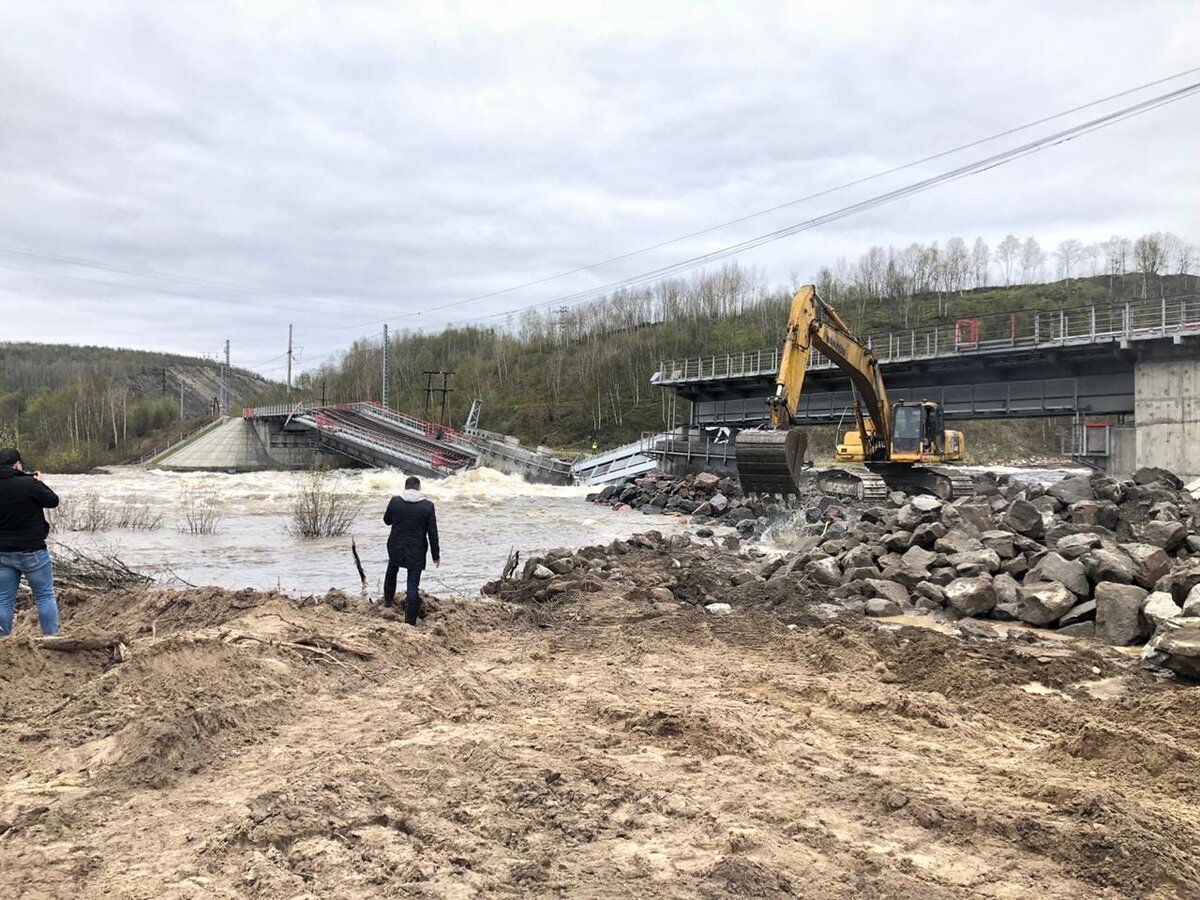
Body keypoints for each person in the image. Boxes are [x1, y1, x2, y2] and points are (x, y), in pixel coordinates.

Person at [0, 448, 60, 636]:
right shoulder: (28, 484)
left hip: (2, 551)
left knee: (3, 599)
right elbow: (52, 501)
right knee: (44, 596)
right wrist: (39, 483)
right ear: (17, 464)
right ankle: (51, 637)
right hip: (32, 549)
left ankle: (2, 639)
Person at [382, 475, 440, 626]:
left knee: (391, 572)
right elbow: (432, 532)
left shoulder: (395, 501)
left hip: (396, 545)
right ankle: (410, 621)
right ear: (419, 487)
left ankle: (387, 603)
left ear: (406, 487)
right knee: (412, 583)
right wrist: (436, 555)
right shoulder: (428, 506)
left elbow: (386, 520)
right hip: (417, 548)